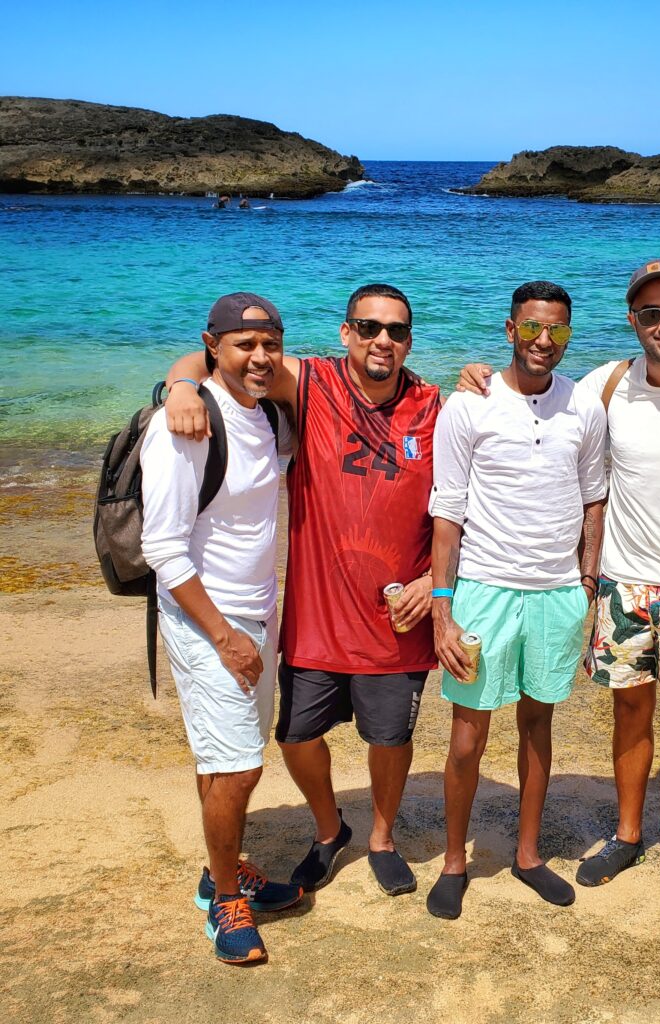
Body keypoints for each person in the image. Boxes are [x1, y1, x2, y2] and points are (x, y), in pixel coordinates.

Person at [457, 259, 660, 902]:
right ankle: (629, 834)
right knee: (629, 713)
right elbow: (537, 408)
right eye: (651, 313)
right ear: (633, 321)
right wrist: (474, 374)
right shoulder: (604, 386)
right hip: (623, 580)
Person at [163, 283, 439, 900]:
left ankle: (383, 838)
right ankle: (329, 828)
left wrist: (432, 583)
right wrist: (181, 389)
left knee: (389, 738)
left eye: (395, 330)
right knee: (294, 736)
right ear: (346, 334)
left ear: (410, 340)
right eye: (368, 328)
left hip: (398, 616)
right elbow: (216, 359)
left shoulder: (434, 406)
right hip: (317, 617)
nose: (382, 341)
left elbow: (465, 506)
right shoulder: (311, 382)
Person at [426, 281, 607, 920]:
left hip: (557, 592)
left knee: (539, 725)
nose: (543, 342)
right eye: (532, 328)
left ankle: (528, 855)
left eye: (557, 331)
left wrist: (586, 586)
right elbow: (446, 511)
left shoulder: (584, 405)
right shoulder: (469, 404)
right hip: (484, 590)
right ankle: (454, 861)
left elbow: (593, 499)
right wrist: (442, 609)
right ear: (510, 330)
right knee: (468, 736)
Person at [141, 292, 301, 964]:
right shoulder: (184, 424)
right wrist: (225, 634)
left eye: (270, 343)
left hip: (255, 609)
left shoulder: (267, 414)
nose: (259, 356)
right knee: (238, 766)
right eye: (244, 344)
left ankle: (223, 869)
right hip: (208, 618)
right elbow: (164, 548)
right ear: (214, 346)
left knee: (227, 758)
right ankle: (225, 901)